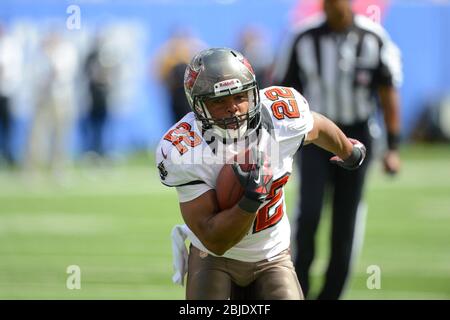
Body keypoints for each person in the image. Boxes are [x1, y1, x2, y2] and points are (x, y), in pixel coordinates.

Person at [156, 47, 367, 300]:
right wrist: (251, 199)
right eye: (219, 101)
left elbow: (318, 127)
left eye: (239, 96)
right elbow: (215, 241)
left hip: (272, 254)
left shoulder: (281, 120)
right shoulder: (186, 149)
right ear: (198, 107)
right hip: (213, 258)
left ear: (254, 93)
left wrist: (348, 151)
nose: (233, 108)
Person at [271, 0, 402, 299]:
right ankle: (297, 288)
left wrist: (393, 147)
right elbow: (283, 90)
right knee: (310, 213)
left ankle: (331, 294)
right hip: (314, 137)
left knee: (346, 218)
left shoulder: (373, 37)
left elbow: (387, 91)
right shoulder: (302, 36)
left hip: (357, 137)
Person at [153, 27, 207, 123]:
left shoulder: (195, 47)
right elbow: (158, 74)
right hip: (175, 92)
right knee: (179, 121)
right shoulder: (166, 51)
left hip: (192, 91)